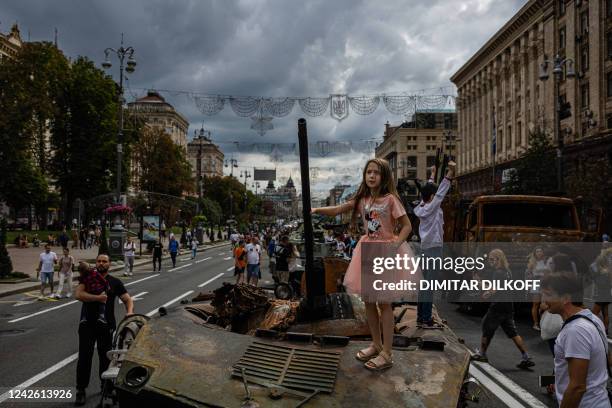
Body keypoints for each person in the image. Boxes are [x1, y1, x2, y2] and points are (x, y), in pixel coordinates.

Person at [312, 158, 415, 371]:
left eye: (376, 173)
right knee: (369, 301)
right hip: (367, 252)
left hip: (385, 253)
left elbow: (407, 226)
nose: (371, 176)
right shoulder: (363, 200)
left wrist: (395, 245)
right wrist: (316, 210)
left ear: (384, 176)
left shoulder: (390, 200)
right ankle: (376, 344)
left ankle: (387, 353)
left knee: (384, 303)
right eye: (368, 172)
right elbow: (340, 209)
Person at [541, 271, 611, 408]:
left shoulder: (575, 330)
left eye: (548, 294)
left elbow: (577, 387)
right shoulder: (592, 318)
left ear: (566, 298)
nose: (543, 299)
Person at [74, 254, 133, 406]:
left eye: (104, 261)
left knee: (105, 356)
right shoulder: (87, 278)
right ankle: (81, 390)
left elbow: (127, 299)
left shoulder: (115, 282)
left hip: (106, 325)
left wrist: (130, 312)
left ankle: (106, 387)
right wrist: (97, 299)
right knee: (84, 357)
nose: (101, 263)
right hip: (87, 324)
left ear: (109, 264)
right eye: (99, 261)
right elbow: (78, 294)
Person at [472, 249, 535, 369]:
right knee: (512, 332)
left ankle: (482, 354)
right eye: (489, 259)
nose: (490, 261)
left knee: (486, 326)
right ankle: (526, 356)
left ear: (498, 259)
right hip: (508, 306)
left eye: (492, 259)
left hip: (498, 306)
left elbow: (493, 289)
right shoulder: (507, 271)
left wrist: (481, 285)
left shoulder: (499, 273)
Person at [413, 161, 456, 328]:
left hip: (425, 248)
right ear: (432, 197)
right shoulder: (433, 205)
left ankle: (420, 316)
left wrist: (432, 174)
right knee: (429, 286)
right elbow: (441, 191)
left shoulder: (422, 206)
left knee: (424, 285)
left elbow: (428, 191)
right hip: (434, 249)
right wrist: (450, 172)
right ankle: (426, 318)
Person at [526, 246, 548, 330]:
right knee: (535, 304)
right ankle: (535, 324)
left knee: (545, 304)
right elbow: (528, 275)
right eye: (537, 251)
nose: (539, 253)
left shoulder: (546, 261)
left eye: (540, 251)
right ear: (535, 253)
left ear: (543, 252)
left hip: (545, 283)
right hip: (536, 282)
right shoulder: (532, 262)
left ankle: (543, 323)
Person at [591, 247, 612, 334]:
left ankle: (596, 329)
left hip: (602, 293)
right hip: (607, 293)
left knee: (593, 313)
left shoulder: (602, 271)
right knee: (605, 313)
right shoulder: (609, 270)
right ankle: (605, 329)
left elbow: (596, 278)